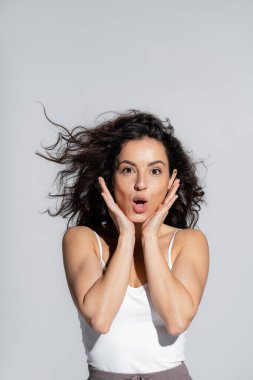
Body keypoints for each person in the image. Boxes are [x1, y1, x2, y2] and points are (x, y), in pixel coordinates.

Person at [36, 107, 209, 380]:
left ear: (170, 182)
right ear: (109, 178)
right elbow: (100, 318)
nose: (141, 184)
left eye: (155, 171)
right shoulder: (82, 239)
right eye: (128, 170)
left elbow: (176, 321)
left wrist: (149, 236)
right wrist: (128, 235)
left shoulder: (189, 242)